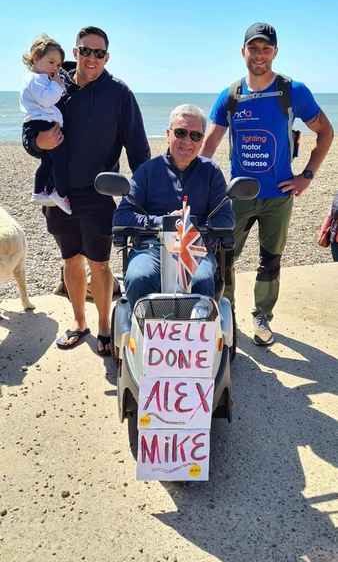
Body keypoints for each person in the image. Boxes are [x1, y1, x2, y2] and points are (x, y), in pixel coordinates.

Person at [200, 22, 334, 346]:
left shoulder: (292, 91)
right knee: (223, 258)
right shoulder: (231, 96)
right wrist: (200, 187)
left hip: (278, 197)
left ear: (275, 52)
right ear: (243, 51)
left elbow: (326, 133)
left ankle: (262, 317)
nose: (259, 55)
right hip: (238, 197)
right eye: (253, 48)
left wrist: (307, 176)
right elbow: (208, 147)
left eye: (266, 48)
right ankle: (226, 314)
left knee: (270, 259)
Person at [23, 25, 150, 356]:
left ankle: (105, 327)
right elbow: (30, 129)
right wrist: (39, 142)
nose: (92, 58)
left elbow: (137, 146)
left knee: (100, 264)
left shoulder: (118, 93)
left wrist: (145, 191)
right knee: (70, 260)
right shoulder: (52, 86)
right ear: (75, 52)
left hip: (99, 192)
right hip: (57, 191)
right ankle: (80, 324)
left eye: (99, 53)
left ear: (106, 57)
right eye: (86, 50)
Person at [113, 104, 234, 310]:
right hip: (152, 246)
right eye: (180, 133)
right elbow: (122, 216)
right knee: (139, 277)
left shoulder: (211, 172)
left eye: (195, 136)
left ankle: (196, 336)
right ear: (168, 134)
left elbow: (226, 218)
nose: (187, 141)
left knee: (201, 280)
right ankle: (147, 334)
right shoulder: (148, 171)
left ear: (202, 140)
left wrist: (189, 224)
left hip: (196, 247)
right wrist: (164, 222)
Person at [20, 35, 71, 214]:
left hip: (42, 123)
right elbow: (47, 100)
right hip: (40, 124)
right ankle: (58, 192)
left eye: (58, 65)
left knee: (49, 161)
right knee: (58, 159)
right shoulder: (36, 79)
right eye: (51, 62)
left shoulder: (43, 79)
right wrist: (58, 85)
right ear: (35, 58)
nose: (55, 68)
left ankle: (40, 191)